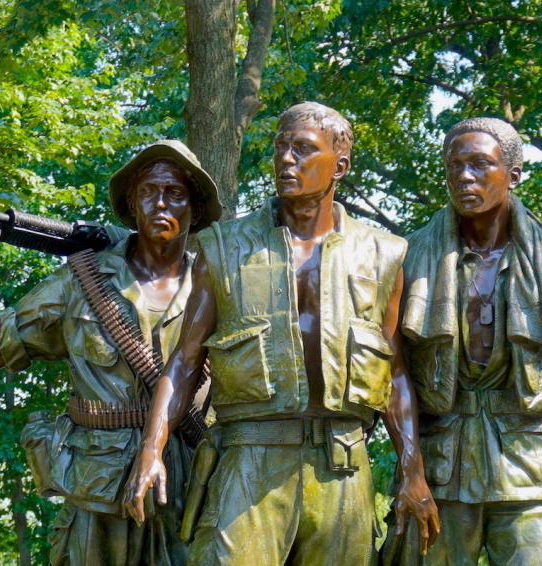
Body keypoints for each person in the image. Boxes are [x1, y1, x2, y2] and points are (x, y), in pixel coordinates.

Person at [124, 102, 439, 565]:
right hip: (250, 458)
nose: (286, 160)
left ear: (341, 165)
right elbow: (185, 360)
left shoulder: (383, 253)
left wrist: (413, 473)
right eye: (280, 148)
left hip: (343, 465)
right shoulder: (225, 246)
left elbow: (394, 372)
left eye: (304, 149)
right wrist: (151, 449)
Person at [0, 140, 222, 566]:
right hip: (97, 484)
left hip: (191, 483)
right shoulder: (82, 279)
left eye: (175, 194)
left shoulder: (218, 287)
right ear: (131, 204)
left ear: (195, 209)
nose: (160, 203)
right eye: (147, 192)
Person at [381, 117, 542, 565]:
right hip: (441, 463)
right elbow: (391, 371)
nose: (464, 177)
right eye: (454, 166)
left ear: (513, 174)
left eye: (480, 164)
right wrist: (410, 472)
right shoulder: (410, 257)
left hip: (529, 459)